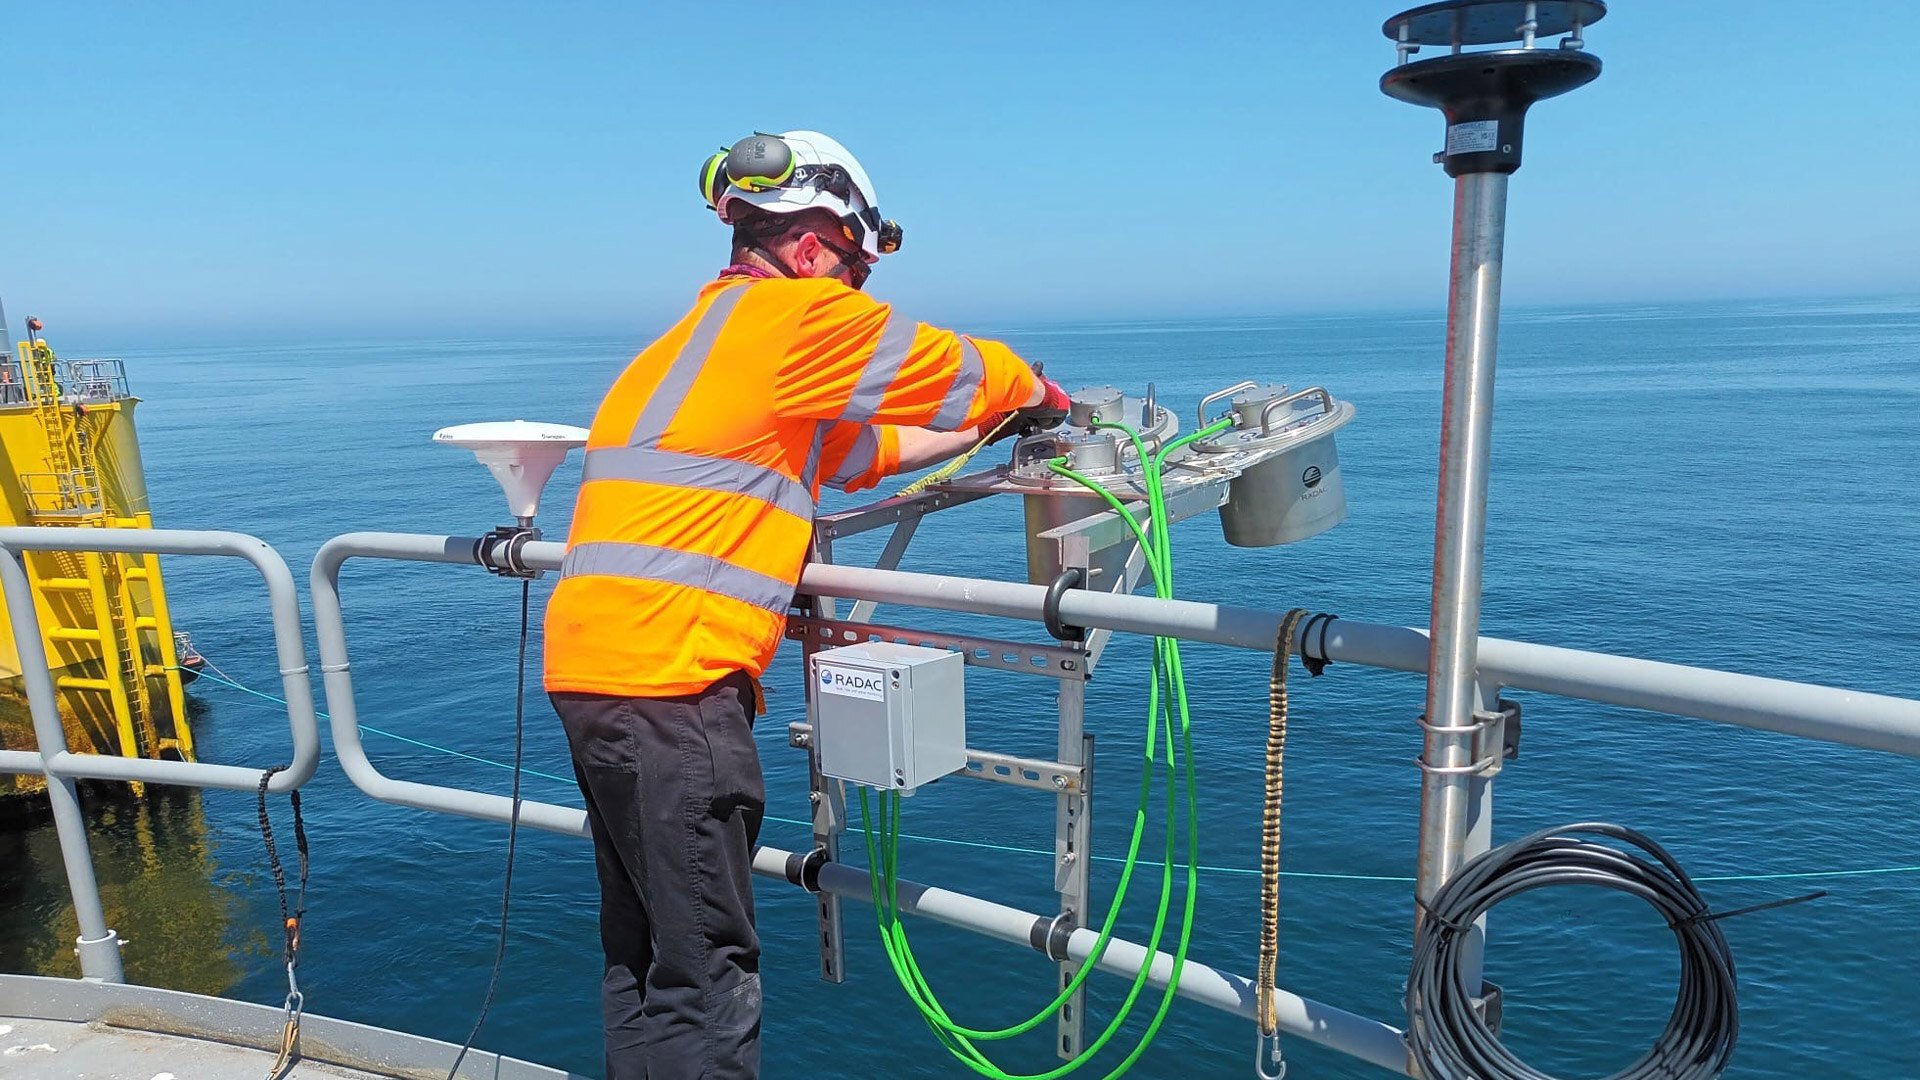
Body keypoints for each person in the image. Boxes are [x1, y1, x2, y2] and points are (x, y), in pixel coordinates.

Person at [543, 129, 1069, 1080]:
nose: (855, 294)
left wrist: (990, 426)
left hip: (594, 680)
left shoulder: (689, 348)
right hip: (676, 688)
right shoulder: (797, 320)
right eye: (857, 272)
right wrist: (1034, 392)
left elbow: (855, 453)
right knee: (708, 973)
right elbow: (954, 370)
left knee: (645, 954)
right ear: (817, 247)